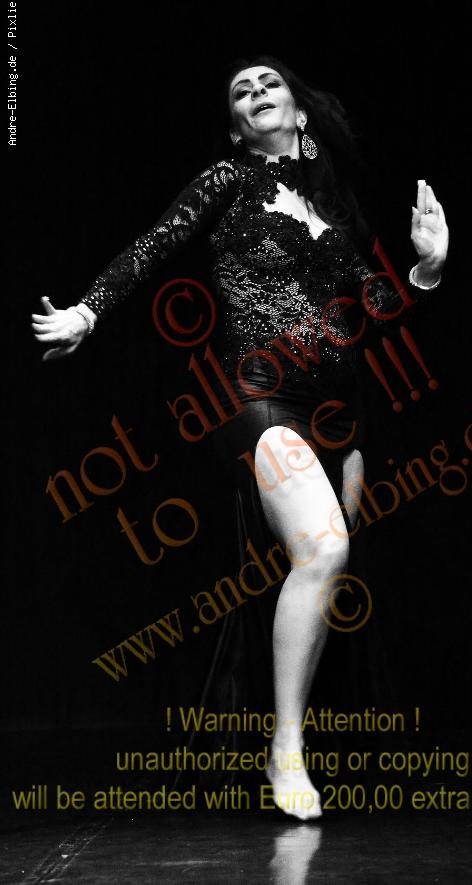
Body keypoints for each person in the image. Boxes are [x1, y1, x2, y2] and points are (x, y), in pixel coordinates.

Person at [31, 56, 448, 820]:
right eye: (241, 91)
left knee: (329, 572)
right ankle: (285, 746)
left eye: (269, 83)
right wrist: (88, 311)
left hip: (340, 410)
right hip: (256, 393)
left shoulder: (336, 208)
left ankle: (302, 728)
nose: (256, 92)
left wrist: (426, 268)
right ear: (235, 128)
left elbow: (377, 306)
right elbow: (153, 245)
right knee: (323, 547)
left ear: (301, 113)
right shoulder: (226, 182)